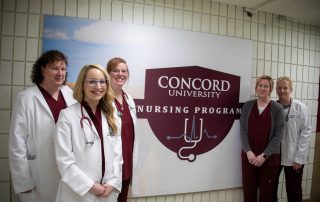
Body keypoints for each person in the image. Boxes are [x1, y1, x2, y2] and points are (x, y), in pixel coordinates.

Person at [8, 50, 77, 202]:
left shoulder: (70, 95)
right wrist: (23, 181)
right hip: (39, 173)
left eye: (63, 69)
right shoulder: (26, 98)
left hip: (67, 172)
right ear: (42, 69)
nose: (60, 73)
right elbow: (17, 144)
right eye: (55, 68)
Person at [54, 64, 123, 202]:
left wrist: (113, 183)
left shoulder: (112, 115)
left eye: (102, 81)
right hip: (79, 193)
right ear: (82, 84)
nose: (98, 86)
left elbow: (117, 155)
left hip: (107, 191)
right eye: (92, 81)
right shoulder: (67, 116)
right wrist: (90, 186)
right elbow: (64, 161)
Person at [240, 75, 284, 202]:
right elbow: (242, 130)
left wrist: (264, 155)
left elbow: (278, 135)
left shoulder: (277, 108)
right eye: (260, 86)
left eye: (266, 86)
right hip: (249, 158)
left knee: (267, 195)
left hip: (269, 160)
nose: (262, 88)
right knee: (249, 193)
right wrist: (248, 151)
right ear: (256, 88)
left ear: (270, 89)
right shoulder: (248, 106)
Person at [106, 57, 138, 202]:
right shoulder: (102, 99)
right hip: (110, 165)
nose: (120, 74)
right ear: (108, 73)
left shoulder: (129, 99)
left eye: (124, 71)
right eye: (116, 70)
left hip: (126, 164)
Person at [275, 76, 312, 202]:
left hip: (294, 158)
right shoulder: (273, 107)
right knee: (270, 188)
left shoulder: (300, 107)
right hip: (275, 156)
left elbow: (306, 133)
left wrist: (299, 158)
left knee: (294, 190)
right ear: (276, 90)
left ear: (291, 89)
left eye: (285, 87)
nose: (282, 90)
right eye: (279, 87)